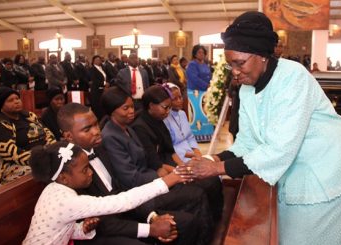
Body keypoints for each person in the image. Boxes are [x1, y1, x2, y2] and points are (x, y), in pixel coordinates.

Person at [186, 11, 341, 245]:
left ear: (262, 56)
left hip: (327, 169)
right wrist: (213, 159)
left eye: (239, 63)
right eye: (230, 65)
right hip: (300, 169)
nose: (234, 71)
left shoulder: (292, 77)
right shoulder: (246, 89)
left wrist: (218, 169)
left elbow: (280, 148)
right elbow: (247, 142)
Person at [57, 103, 202, 245]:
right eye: (87, 129)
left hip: (126, 212)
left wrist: (152, 217)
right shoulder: (69, 171)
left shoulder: (101, 149)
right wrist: (150, 229)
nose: (96, 131)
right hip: (99, 232)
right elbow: (98, 223)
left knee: (186, 223)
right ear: (68, 136)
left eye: (96, 125)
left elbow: (123, 189)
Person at [23, 141, 189, 245]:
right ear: (64, 178)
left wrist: (82, 229)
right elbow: (124, 201)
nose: (91, 173)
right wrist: (169, 180)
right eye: (85, 170)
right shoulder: (65, 201)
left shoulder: (52, 190)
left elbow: (61, 230)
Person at [131, 85, 223, 222]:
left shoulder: (158, 120)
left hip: (173, 165)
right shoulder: (140, 127)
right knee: (201, 189)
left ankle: (217, 222)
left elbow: (171, 151)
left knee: (213, 178)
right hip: (162, 172)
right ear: (151, 105)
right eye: (165, 107)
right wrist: (181, 173)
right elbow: (157, 165)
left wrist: (185, 168)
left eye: (169, 107)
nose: (168, 111)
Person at [0, 87, 56, 184]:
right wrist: (41, 158)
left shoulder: (29, 115)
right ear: (1, 105)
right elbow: (11, 154)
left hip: (43, 155)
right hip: (14, 166)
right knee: (43, 171)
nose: (16, 102)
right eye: (10, 100)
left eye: (17, 98)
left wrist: (52, 150)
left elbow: (47, 133)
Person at [163, 83, 201, 163]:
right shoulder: (165, 118)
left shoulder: (182, 113)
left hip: (190, 152)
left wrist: (196, 150)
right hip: (177, 157)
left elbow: (190, 137)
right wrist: (191, 155)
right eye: (175, 99)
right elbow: (169, 147)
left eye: (180, 97)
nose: (179, 101)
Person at [186, 45, 214, 142]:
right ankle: (197, 136)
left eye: (203, 52)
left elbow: (209, 76)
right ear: (194, 54)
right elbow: (194, 78)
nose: (201, 54)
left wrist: (212, 84)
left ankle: (207, 135)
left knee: (206, 114)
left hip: (205, 93)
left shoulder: (205, 64)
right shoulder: (192, 65)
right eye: (199, 52)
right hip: (195, 93)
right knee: (198, 115)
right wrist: (206, 86)